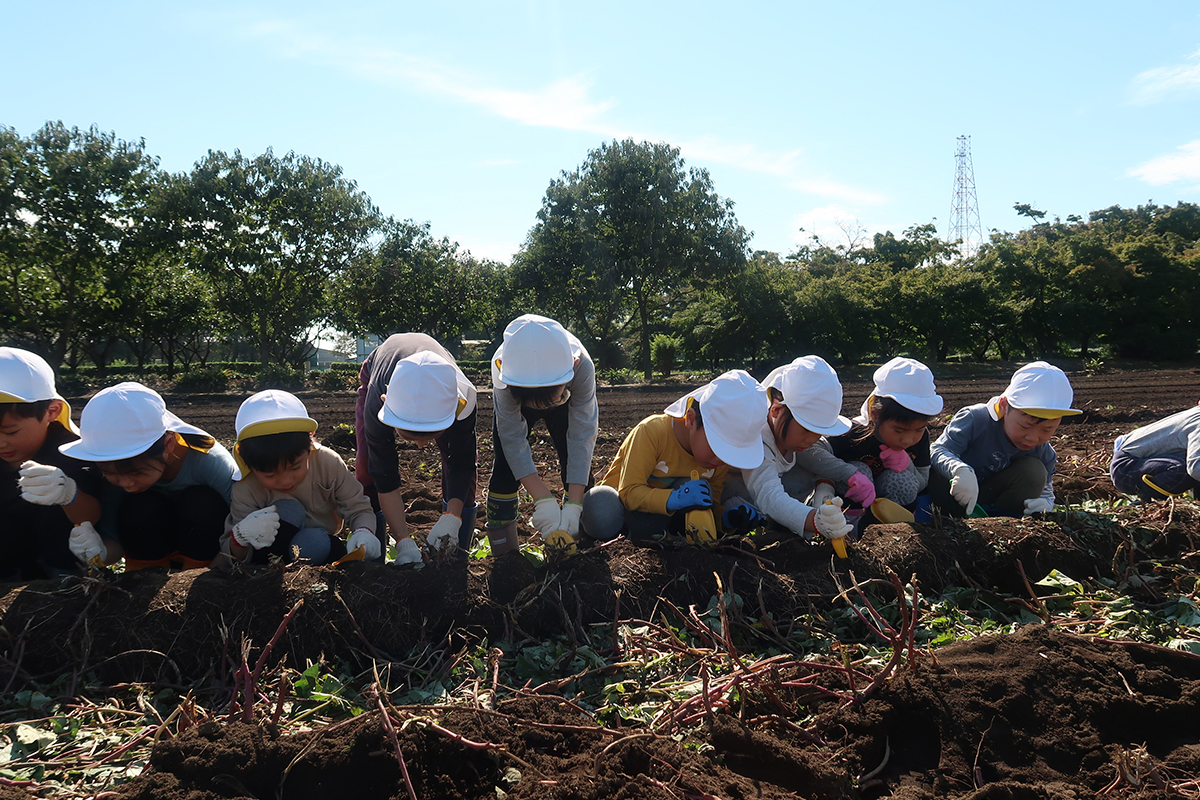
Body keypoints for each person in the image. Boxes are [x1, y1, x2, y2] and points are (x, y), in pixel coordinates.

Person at [59, 382, 236, 570]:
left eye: (137, 472)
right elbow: (113, 542)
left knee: (201, 501)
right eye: (110, 474)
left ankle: (195, 569)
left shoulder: (209, 461)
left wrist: (216, 572)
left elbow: (242, 520)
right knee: (142, 505)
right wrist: (99, 553)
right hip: (151, 548)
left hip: (207, 549)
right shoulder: (117, 477)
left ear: (168, 444)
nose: (126, 483)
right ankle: (146, 575)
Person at [581, 370, 768, 544]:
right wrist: (676, 497)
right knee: (600, 504)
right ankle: (619, 541)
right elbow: (628, 492)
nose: (720, 461)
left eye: (729, 453)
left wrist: (727, 519)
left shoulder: (716, 462)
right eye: (717, 447)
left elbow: (710, 507)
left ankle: (661, 540)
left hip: (660, 522)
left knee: (701, 492)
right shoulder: (653, 432)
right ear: (691, 419)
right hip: (624, 513)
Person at [356, 335, 477, 565]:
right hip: (377, 368)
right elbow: (384, 474)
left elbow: (462, 463)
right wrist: (403, 539)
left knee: (464, 477)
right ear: (386, 403)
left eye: (433, 434)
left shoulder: (462, 398)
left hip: (442, 384)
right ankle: (372, 555)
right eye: (409, 435)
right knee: (367, 467)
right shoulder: (377, 400)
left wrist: (452, 517)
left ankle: (455, 554)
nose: (422, 445)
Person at [222, 390, 378, 566]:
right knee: (288, 510)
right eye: (270, 475)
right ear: (248, 464)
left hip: (316, 546)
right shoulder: (246, 486)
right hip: (265, 559)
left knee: (313, 541)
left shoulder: (327, 463)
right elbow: (230, 555)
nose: (287, 480)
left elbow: (357, 507)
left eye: (295, 467)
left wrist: (364, 532)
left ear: (309, 446)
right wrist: (240, 537)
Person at [487, 314, 598, 554]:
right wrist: (542, 498)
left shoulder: (582, 366)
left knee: (575, 462)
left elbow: (582, 436)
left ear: (574, 366)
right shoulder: (503, 370)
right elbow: (512, 436)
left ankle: (581, 538)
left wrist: (574, 504)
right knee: (506, 466)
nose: (541, 407)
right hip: (519, 403)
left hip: (564, 405)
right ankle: (505, 554)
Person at [0, 347, 103, 580]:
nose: (1, 444)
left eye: (11, 431)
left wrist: (69, 494)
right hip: (9, 561)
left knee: (54, 507)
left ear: (52, 411)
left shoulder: (71, 453)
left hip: (58, 563)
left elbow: (93, 515)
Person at [727, 356, 854, 543]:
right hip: (739, 499)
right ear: (776, 411)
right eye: (806, 429)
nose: (811, 439)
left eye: (818, 432)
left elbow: (820, 452)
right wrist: (816, 521)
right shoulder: (757, 439)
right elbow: (769, 495)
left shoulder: (790, 436)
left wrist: (824, 487)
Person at [930, 361, 1080, 518]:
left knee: (1034, 470)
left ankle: (1001, 520)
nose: (1033, 437)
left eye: (1047, 429)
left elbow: (1046, 487)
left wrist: (1046, 501)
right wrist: (958, 469)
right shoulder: (975, 419)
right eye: (1025, 426)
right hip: (949, 495)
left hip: (988, 499)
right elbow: (937, 450)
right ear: (1003, 406)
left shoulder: (1043, 451)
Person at [796, 357, 943, 516]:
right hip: (848, 513)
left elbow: (922, 482)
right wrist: (850, 474)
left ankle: (898, 530)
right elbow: (807, 450)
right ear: (875, 414)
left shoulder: (922, 437)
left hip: (891, 514)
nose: (907, 440)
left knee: (902, 480)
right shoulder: (854, 432)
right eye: (898, 430)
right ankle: (853, 529)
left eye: (918, 429)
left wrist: (907, 464)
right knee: (860, 470)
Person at [1109, 403, 1200, 501]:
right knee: (1185, 469)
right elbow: (1195, 469)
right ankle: (1147, 499)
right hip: (1126, 468)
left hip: (1141, 462)